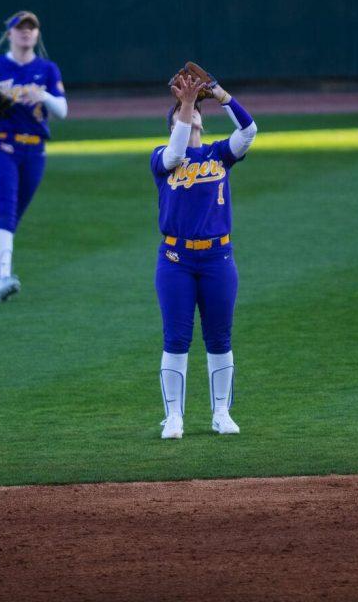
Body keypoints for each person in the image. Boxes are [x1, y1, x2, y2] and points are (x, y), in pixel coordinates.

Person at [151, 64, 257, 439]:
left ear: (203, 120)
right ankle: (174, 417)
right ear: (175, 122)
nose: (192, 112)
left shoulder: (219, 154)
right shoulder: (162, 156)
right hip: (176, 261)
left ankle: (221, 413)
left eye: (196, 110)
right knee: (176, 339)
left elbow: (249, 131)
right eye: (184, 111)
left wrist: (222, 96)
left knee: (219, 339)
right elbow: (177, 151)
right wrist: (187, 102)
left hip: (218, 259)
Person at [0, 11, 67, 302]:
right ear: (9, 34)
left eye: (31, 27)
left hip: (35, 150)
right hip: (1, 145)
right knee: (5, 212)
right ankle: (3, 277)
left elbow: (63, 110)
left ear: (37, 34)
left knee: (12, 217)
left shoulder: (47, 69)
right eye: (20, 28)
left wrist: (42, 95)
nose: (26, 32)